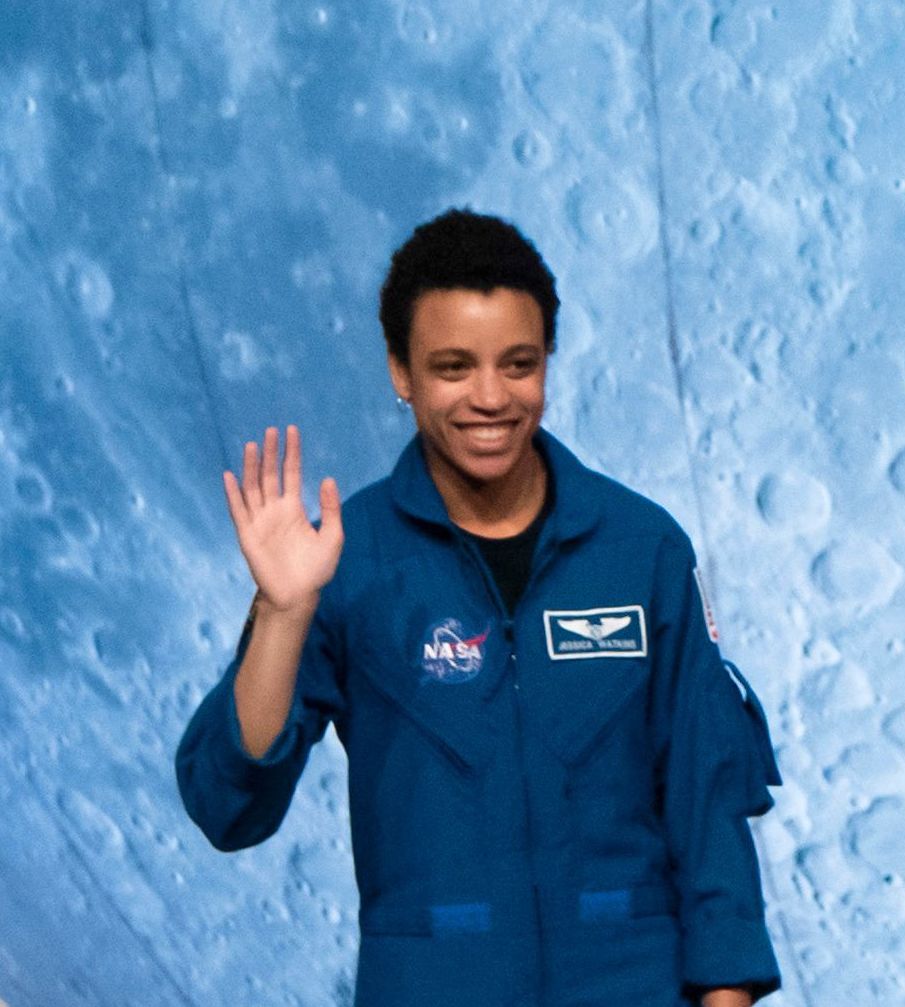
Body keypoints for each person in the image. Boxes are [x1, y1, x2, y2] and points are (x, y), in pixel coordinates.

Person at [175, 208, 782, 1006]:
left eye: (518, 363)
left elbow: (707, 804)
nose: (490, 397)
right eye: (453, 366)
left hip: (631, 980)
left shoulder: (641, 550)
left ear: (547, 362)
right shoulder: (345, 564)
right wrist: (284, 611)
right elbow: (229, 806)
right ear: (401, 371)